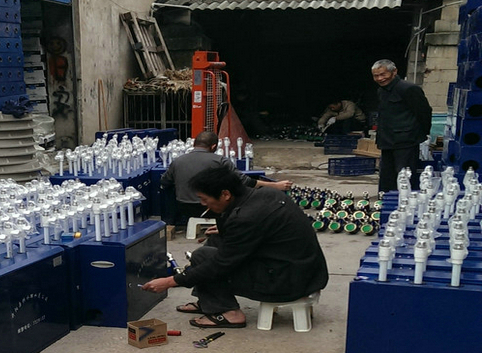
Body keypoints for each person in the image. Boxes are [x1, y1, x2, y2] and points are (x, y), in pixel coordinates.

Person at [142, 165, 329, 329]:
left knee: (203, 257)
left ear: (225, 194)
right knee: (216, 240)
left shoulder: (245, 218)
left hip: (287, 282)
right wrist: (224, 228)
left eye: (204, 199)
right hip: (306, 271)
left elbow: (221, 264)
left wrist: (171, 281)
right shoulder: (267, 194)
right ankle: (209, 300)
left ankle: (230, 314)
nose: (203, 204)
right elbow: (258, 230)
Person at [159, 131, 292, 226]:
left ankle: (170, 221)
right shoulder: (220, 161)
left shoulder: (177, 161)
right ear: (214, 146)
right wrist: (276, 186)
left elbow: (164, 182)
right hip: (213, 208)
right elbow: (245, 182)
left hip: (184, 207)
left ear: (194, 144)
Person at [371, 59, 432, 191]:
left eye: (383, 74)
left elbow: (424, 112)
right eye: (376, 76)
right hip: (387, 141)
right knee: (387, 177)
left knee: (404, 177)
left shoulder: (408, 89)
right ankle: (386, 199)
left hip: (405, 142)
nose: (380, 78)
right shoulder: (382, 91)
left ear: (394, 72)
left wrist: (420, 134)